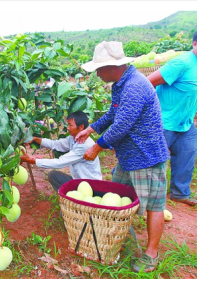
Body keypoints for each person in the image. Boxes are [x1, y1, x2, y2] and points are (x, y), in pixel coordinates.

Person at [75, 41, 169, 273]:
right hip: (130, 156)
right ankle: (116, 238)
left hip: (147, 156)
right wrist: (91, 128)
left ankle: (151, 253)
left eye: (98, 69)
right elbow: (114, 113)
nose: (97, 74)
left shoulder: (134, 86)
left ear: (110, 66)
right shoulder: (121, 84)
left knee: (154, 206)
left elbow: (122, 125)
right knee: (114, 196)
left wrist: (96, 147)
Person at [147, 31, 197, 207]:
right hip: (164, 121)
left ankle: (180, 193)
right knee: (149, 158)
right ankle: (124, 184)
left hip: (186, 123)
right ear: (194, 44)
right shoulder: (181, 63)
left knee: (187, 156)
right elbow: (148, 82)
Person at [20, 111, 102, 193]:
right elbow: (55, 144)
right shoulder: (73, 138)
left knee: (55, 176)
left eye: (70, 125)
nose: (68, 127)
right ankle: (72, 198)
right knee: (53, 175)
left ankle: (76, 200)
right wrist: (35, 139)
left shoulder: (85, 145)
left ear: (81, 127)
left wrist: (31, 160)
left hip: (91, 187)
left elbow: (60, 162)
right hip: (79, 182)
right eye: (68, 124)